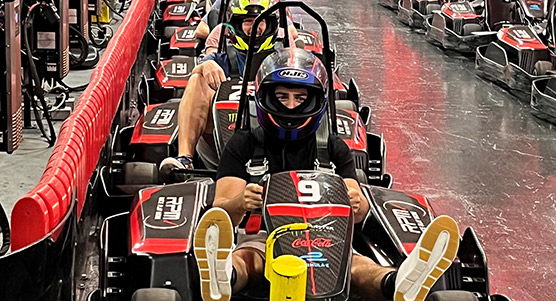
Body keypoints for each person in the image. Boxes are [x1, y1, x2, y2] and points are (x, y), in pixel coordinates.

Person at [193, 48, 461, 301]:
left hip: (326, 235)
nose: (290, 107)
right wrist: (241, 202)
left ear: (315, 101)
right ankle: (225, 276)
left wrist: (358, 204)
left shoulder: (333, 147)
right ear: (265, 98)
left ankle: (397, 283)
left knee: (357, 266)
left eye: (299, 98)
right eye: (281, 97)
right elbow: (221, 212)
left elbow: (358, 207)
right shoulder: (245, 144)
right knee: (250, 260)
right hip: (263, 236)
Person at [159, 0, 281, 177]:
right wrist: (205, 66)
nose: (255, 28)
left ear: (270, 24)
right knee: (198, 78)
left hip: (273, 144)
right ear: (236, 25)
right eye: (248, 22)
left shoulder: (283, 58)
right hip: (220, 144)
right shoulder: (220, 58)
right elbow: (201, 63)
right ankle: (185, 159)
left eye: (260, 21)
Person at [195, 0, 298, 44]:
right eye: (248, 20)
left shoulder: (271, 3)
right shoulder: (225, 2)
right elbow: (200, 30)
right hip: (233, 49)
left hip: (266, 51)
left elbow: (292, 32)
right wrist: (223, 37)